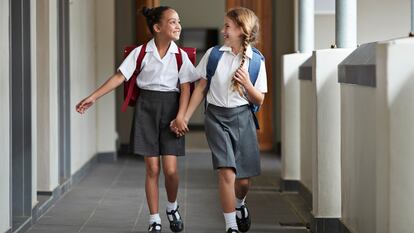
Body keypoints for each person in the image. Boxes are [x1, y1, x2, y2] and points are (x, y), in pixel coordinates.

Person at [76, 6, 197, 233]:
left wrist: (181, 116)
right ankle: (154, 219)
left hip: (172, 110)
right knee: (152, 168)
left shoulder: (180, 56)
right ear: (157, 27)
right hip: (146, 110)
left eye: (178, 21)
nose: (178, 25)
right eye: (172, 21)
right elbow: (119, 77)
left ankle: (172, 207)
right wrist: (93, 97)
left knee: (170, 170)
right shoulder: (141, 53)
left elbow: (186, 88)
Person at [171, 7, 267, 233]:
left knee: (243, 181)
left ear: (242, 30)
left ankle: (240, 205)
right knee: (226, 172)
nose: (223, 30)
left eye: (228, 26)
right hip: (215, 117)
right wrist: (183, 116)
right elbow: (200, 87)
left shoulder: (256, 61)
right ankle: (230, 226)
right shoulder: (214, 54)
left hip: (243, 118)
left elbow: (259, 99)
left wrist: (247, 84)